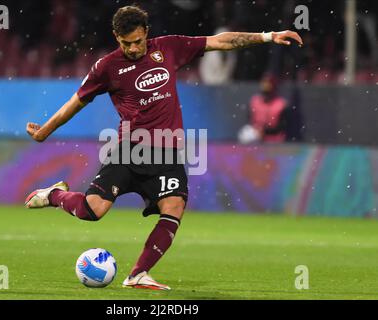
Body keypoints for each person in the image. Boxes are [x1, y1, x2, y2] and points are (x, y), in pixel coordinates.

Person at [24, 5, 303, 290]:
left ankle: (137, 274)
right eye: (125, 43)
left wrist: (267, 36)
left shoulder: (169, 48)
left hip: (168, 153)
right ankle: (54, 194)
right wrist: (47, 129)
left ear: (146, 32)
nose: (133, 48)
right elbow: (77, 101)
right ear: (116, 37)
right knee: (92, 211)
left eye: (137, 41)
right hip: (130, 150)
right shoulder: (107, 67)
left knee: (174, 206)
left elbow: (220, 41)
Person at [244, 74, 289, 143]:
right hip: (256, 137)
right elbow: (249, 121)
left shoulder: (281, 104)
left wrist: (265, 131)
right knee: (246, 134)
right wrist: (257, 130)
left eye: (268, 93)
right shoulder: (254, 101)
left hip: (274, 139)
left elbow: (282, 127)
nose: (266, 96)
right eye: (264, 93)